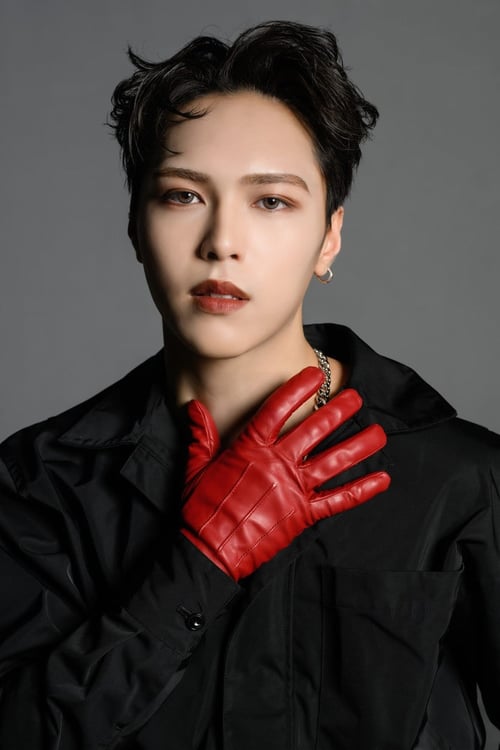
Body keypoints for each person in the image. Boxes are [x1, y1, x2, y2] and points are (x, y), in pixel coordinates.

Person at [0, 18, 498, 750]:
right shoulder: (40, 483)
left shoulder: (460, 477)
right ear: (135, 227)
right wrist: (198, 566)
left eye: (271, 201)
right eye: (182, 196)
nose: (222, 243)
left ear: (329, 236)